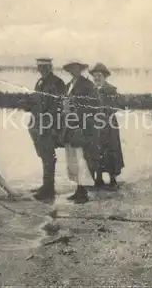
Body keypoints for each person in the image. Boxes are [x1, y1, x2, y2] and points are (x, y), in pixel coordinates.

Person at [60, 62, 101, 203]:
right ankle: (79, 189)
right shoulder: (68, 85)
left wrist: (77, 112)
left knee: (81, 158)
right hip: (69, 126)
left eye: (75, 68)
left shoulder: (87, 85)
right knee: (73, 159)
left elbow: (94, 105)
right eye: (71, 68)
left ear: (80, 69)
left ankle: (83, 192)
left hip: (82, 126)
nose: (73, 70)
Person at [26, 58, 66, 201]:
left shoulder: (57, 82)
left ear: (50, 67)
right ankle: (46, 185)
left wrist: (52, 125)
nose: (42, 69)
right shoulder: (40, 82)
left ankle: (49, 188)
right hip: (38, 123)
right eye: (40, 66)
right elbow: (36, 100)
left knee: (48, 156)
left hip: (49, 124)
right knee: (44, 155)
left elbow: (58, 105)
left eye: (45, 66)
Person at [89, 63, 124, 188]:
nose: (97, 78)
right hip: (96, 125)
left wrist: (104, 112)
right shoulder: (91, 90)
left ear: (104, 77)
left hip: (109, 125)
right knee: (97, 150)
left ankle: (113, 179)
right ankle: (98, 178)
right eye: (95, 76)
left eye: (99, 76)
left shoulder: (111, 90)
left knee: (110, 150)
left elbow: (117, 105)